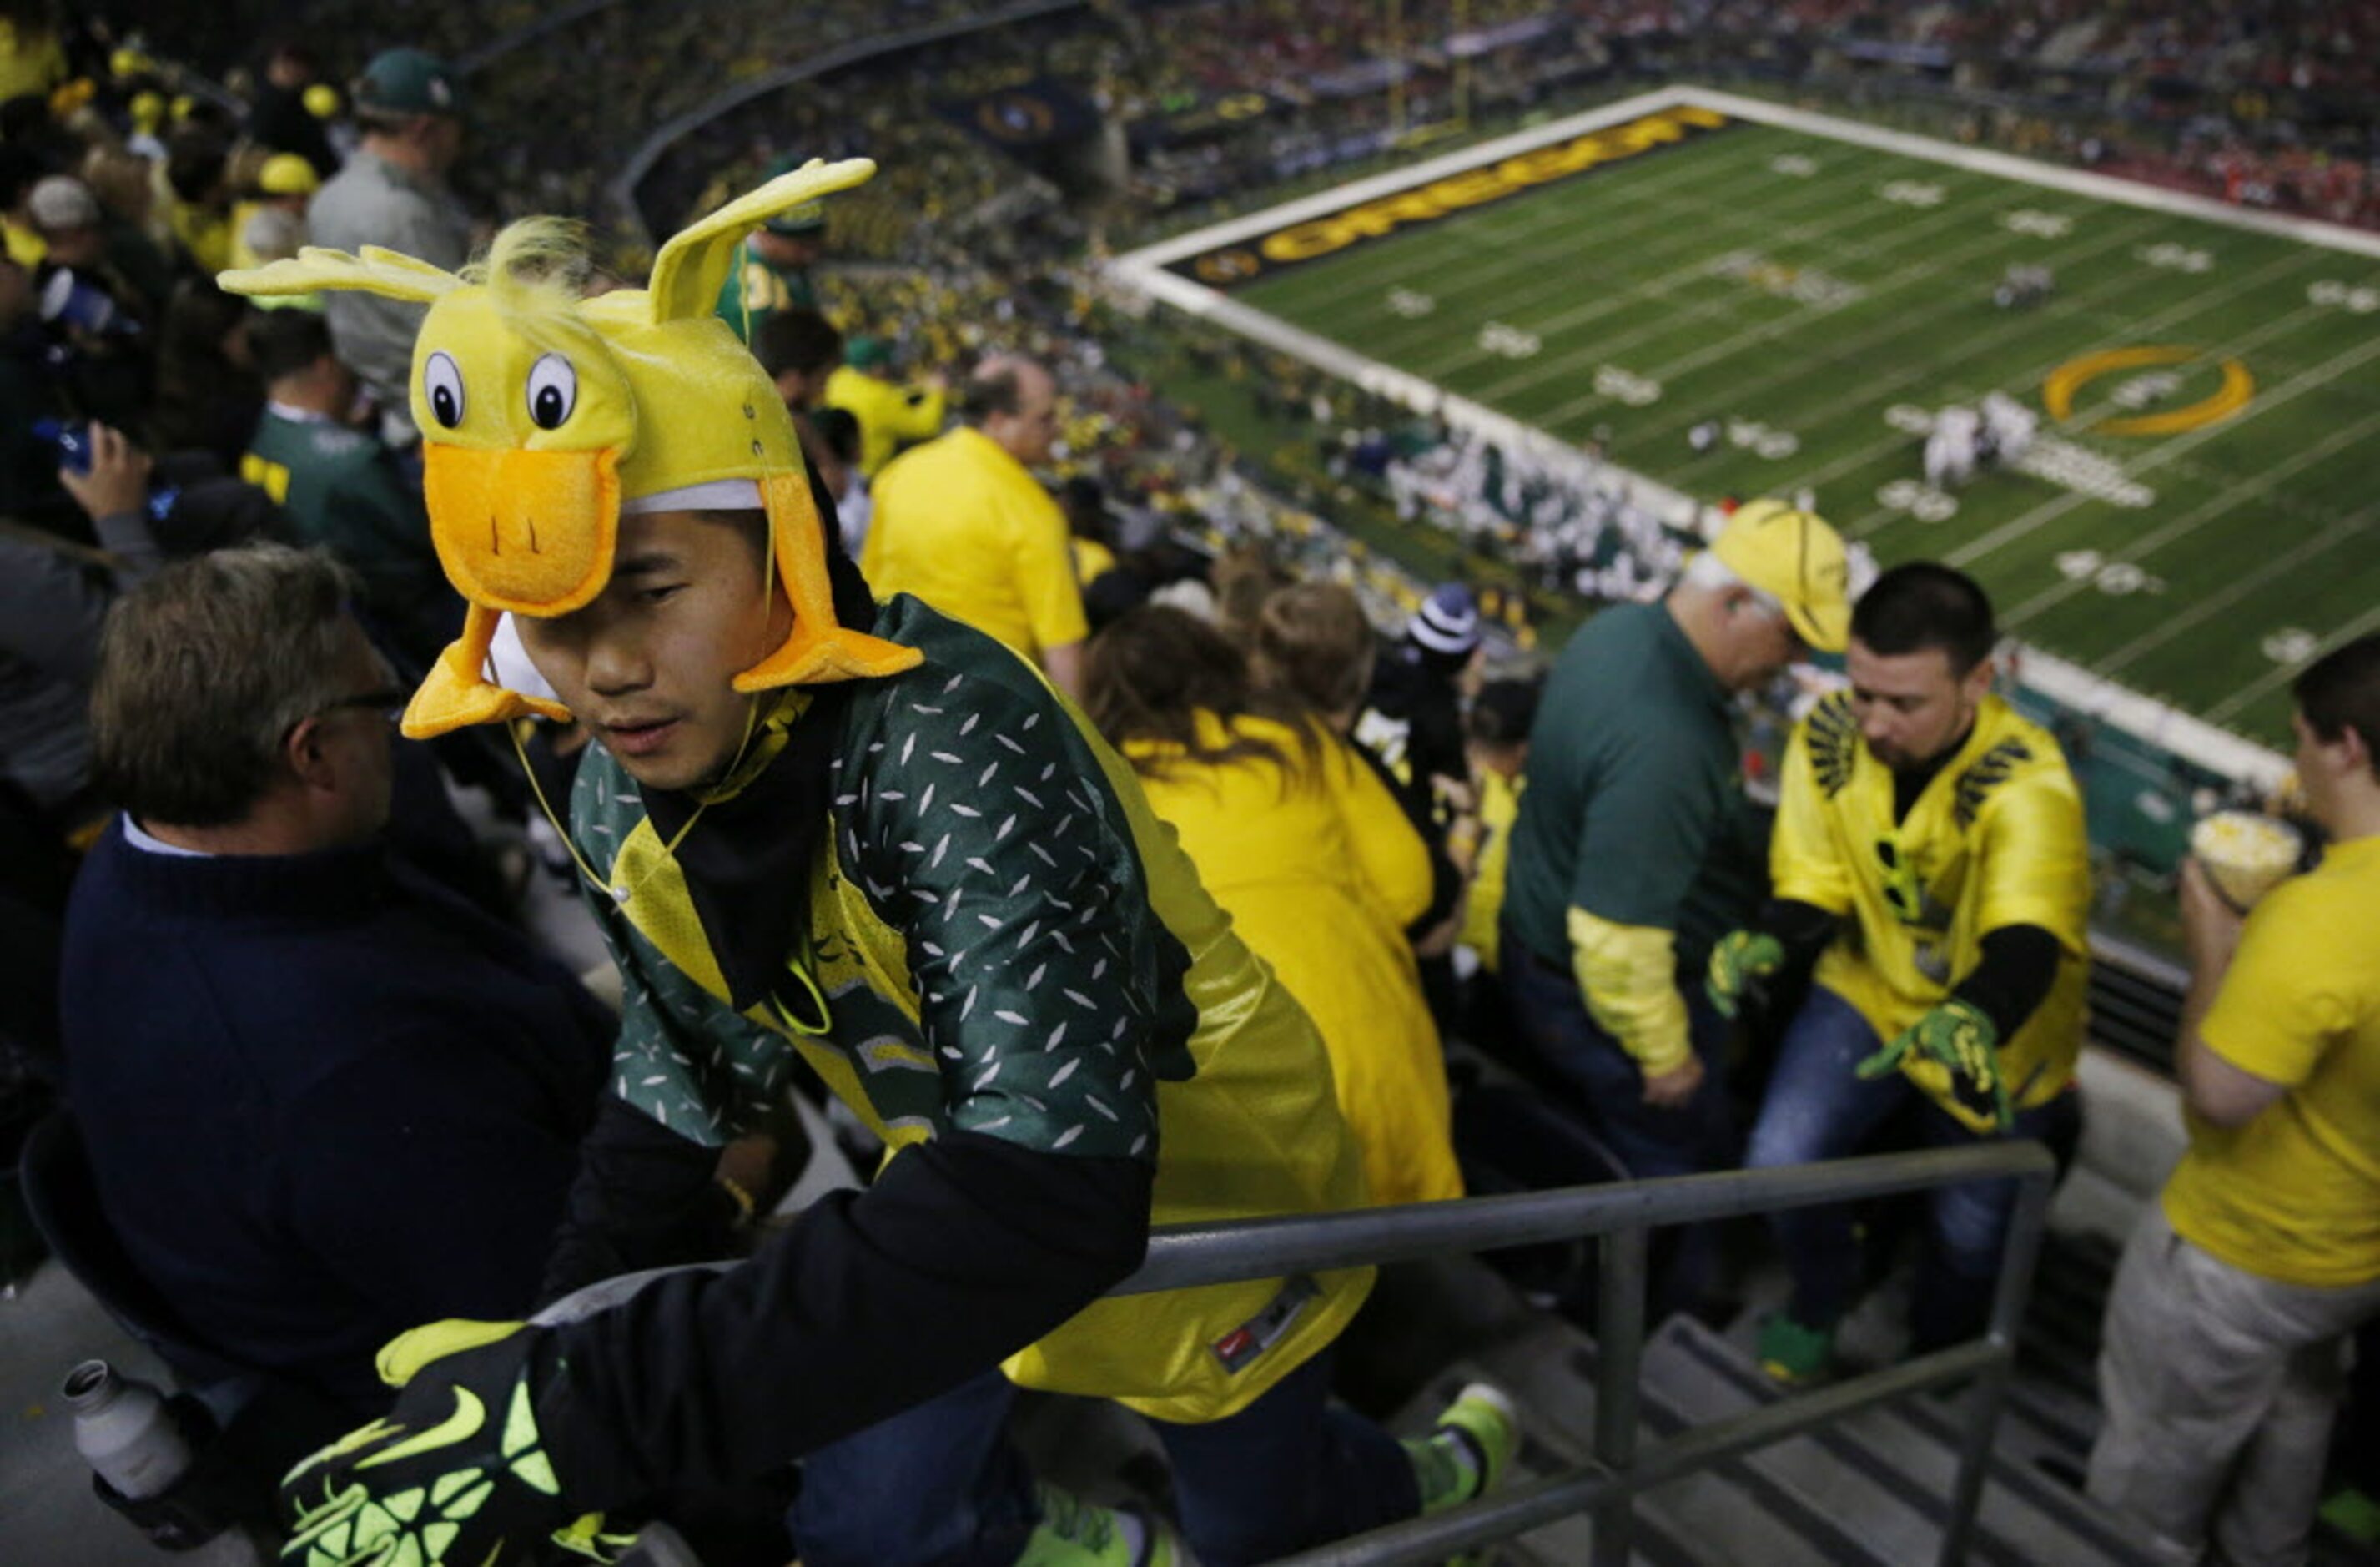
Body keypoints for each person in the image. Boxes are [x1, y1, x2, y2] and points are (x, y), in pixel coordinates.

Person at [229, 170, 1513, 1567]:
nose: (598, 669)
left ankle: (1418, 1479)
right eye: (544, 614)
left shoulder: (953, 728)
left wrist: (601, 1403)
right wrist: (554, 1336)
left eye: (650, 589)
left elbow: (1049, 1176)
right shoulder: (616, 784)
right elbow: (685, 1067)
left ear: (784, 539)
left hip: (1205, 1200)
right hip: (975, 1187)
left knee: (1257, 1515)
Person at [60, 543, 612, 1411]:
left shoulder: (152, 855)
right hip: (555, 1356)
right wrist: (730, 1173)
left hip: (507, 1100)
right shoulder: (338, 1065)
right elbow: (579, 1310)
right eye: (380, 702)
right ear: (311, 756)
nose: (397, 725)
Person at [1714, 562, 2088, 1382]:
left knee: (1972, 1230)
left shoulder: (2032, 783)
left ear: (1978, 682)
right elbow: (1815, 878)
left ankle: (1942, 1348)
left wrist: (1977, 1014)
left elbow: (2027, 933)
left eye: (1905, 703)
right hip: (1869, 989)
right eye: (1864, 692)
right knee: (1778, 1161)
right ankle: (1822, 1293)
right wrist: (1775, 934)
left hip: (1993, 1033)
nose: (1876, 724)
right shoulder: (1826, 733)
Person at [1499, 501, 1850, 1294]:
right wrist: (1666, 1055)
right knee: (1674, 1164)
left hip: (1540, 947)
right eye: (1788, 634)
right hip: (1607, 995)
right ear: (1733, 606)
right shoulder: (1667, 740)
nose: (1791, 661)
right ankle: (1664, 1303)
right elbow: (1614, 937)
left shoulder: (1620, 630)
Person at [2086, 634, 2380, 1565]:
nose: (2295, 756)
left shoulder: (2325, 918)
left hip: (2249, 1246)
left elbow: (2218, 1095)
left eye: (2301, 735)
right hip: (2356, 1254)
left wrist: (2215, 936)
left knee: (2152, 1460)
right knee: (2295, 1408)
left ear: (2348, 748)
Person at [1086, 604, 1463, 1207]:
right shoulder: (1295, 739)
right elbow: (1411, 890)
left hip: (1237, 1112)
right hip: (1374, 1068)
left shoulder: (1100, 795)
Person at [240, 307, 456, 673]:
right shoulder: (354, 463)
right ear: (327, 365)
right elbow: (436, 533)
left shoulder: (261, 445)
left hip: (363, 619)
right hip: (426, 613)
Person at [865, 354, 1089, 697]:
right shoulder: (1031, 511)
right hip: (974, 710)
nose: (1056, 428)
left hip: (879, 681)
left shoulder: (903, 470)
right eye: (1044, 419)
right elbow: (1063, 650)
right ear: (999, 420)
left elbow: (868, 580)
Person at [306, 47, 470, 448]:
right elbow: (465, 336)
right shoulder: (403, 214)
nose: (458, 142)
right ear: (423, 129)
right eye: (454, 128)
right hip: (448, 425)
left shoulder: (326, 198)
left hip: (393, 414)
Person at [713, 163, 823, 343]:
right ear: (766, 231)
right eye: (800, 245)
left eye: (815, 242)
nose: (810, 254)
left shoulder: (783, 265)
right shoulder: (746, 281)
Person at [823, 333, 947, 478]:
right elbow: (927, 426)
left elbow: (887, 394)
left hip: (840, 466)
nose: (886, 368)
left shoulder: (838, 379)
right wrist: (937, 393)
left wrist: (918, 388)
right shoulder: (878, 399)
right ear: (874, 367)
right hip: (870, 474)